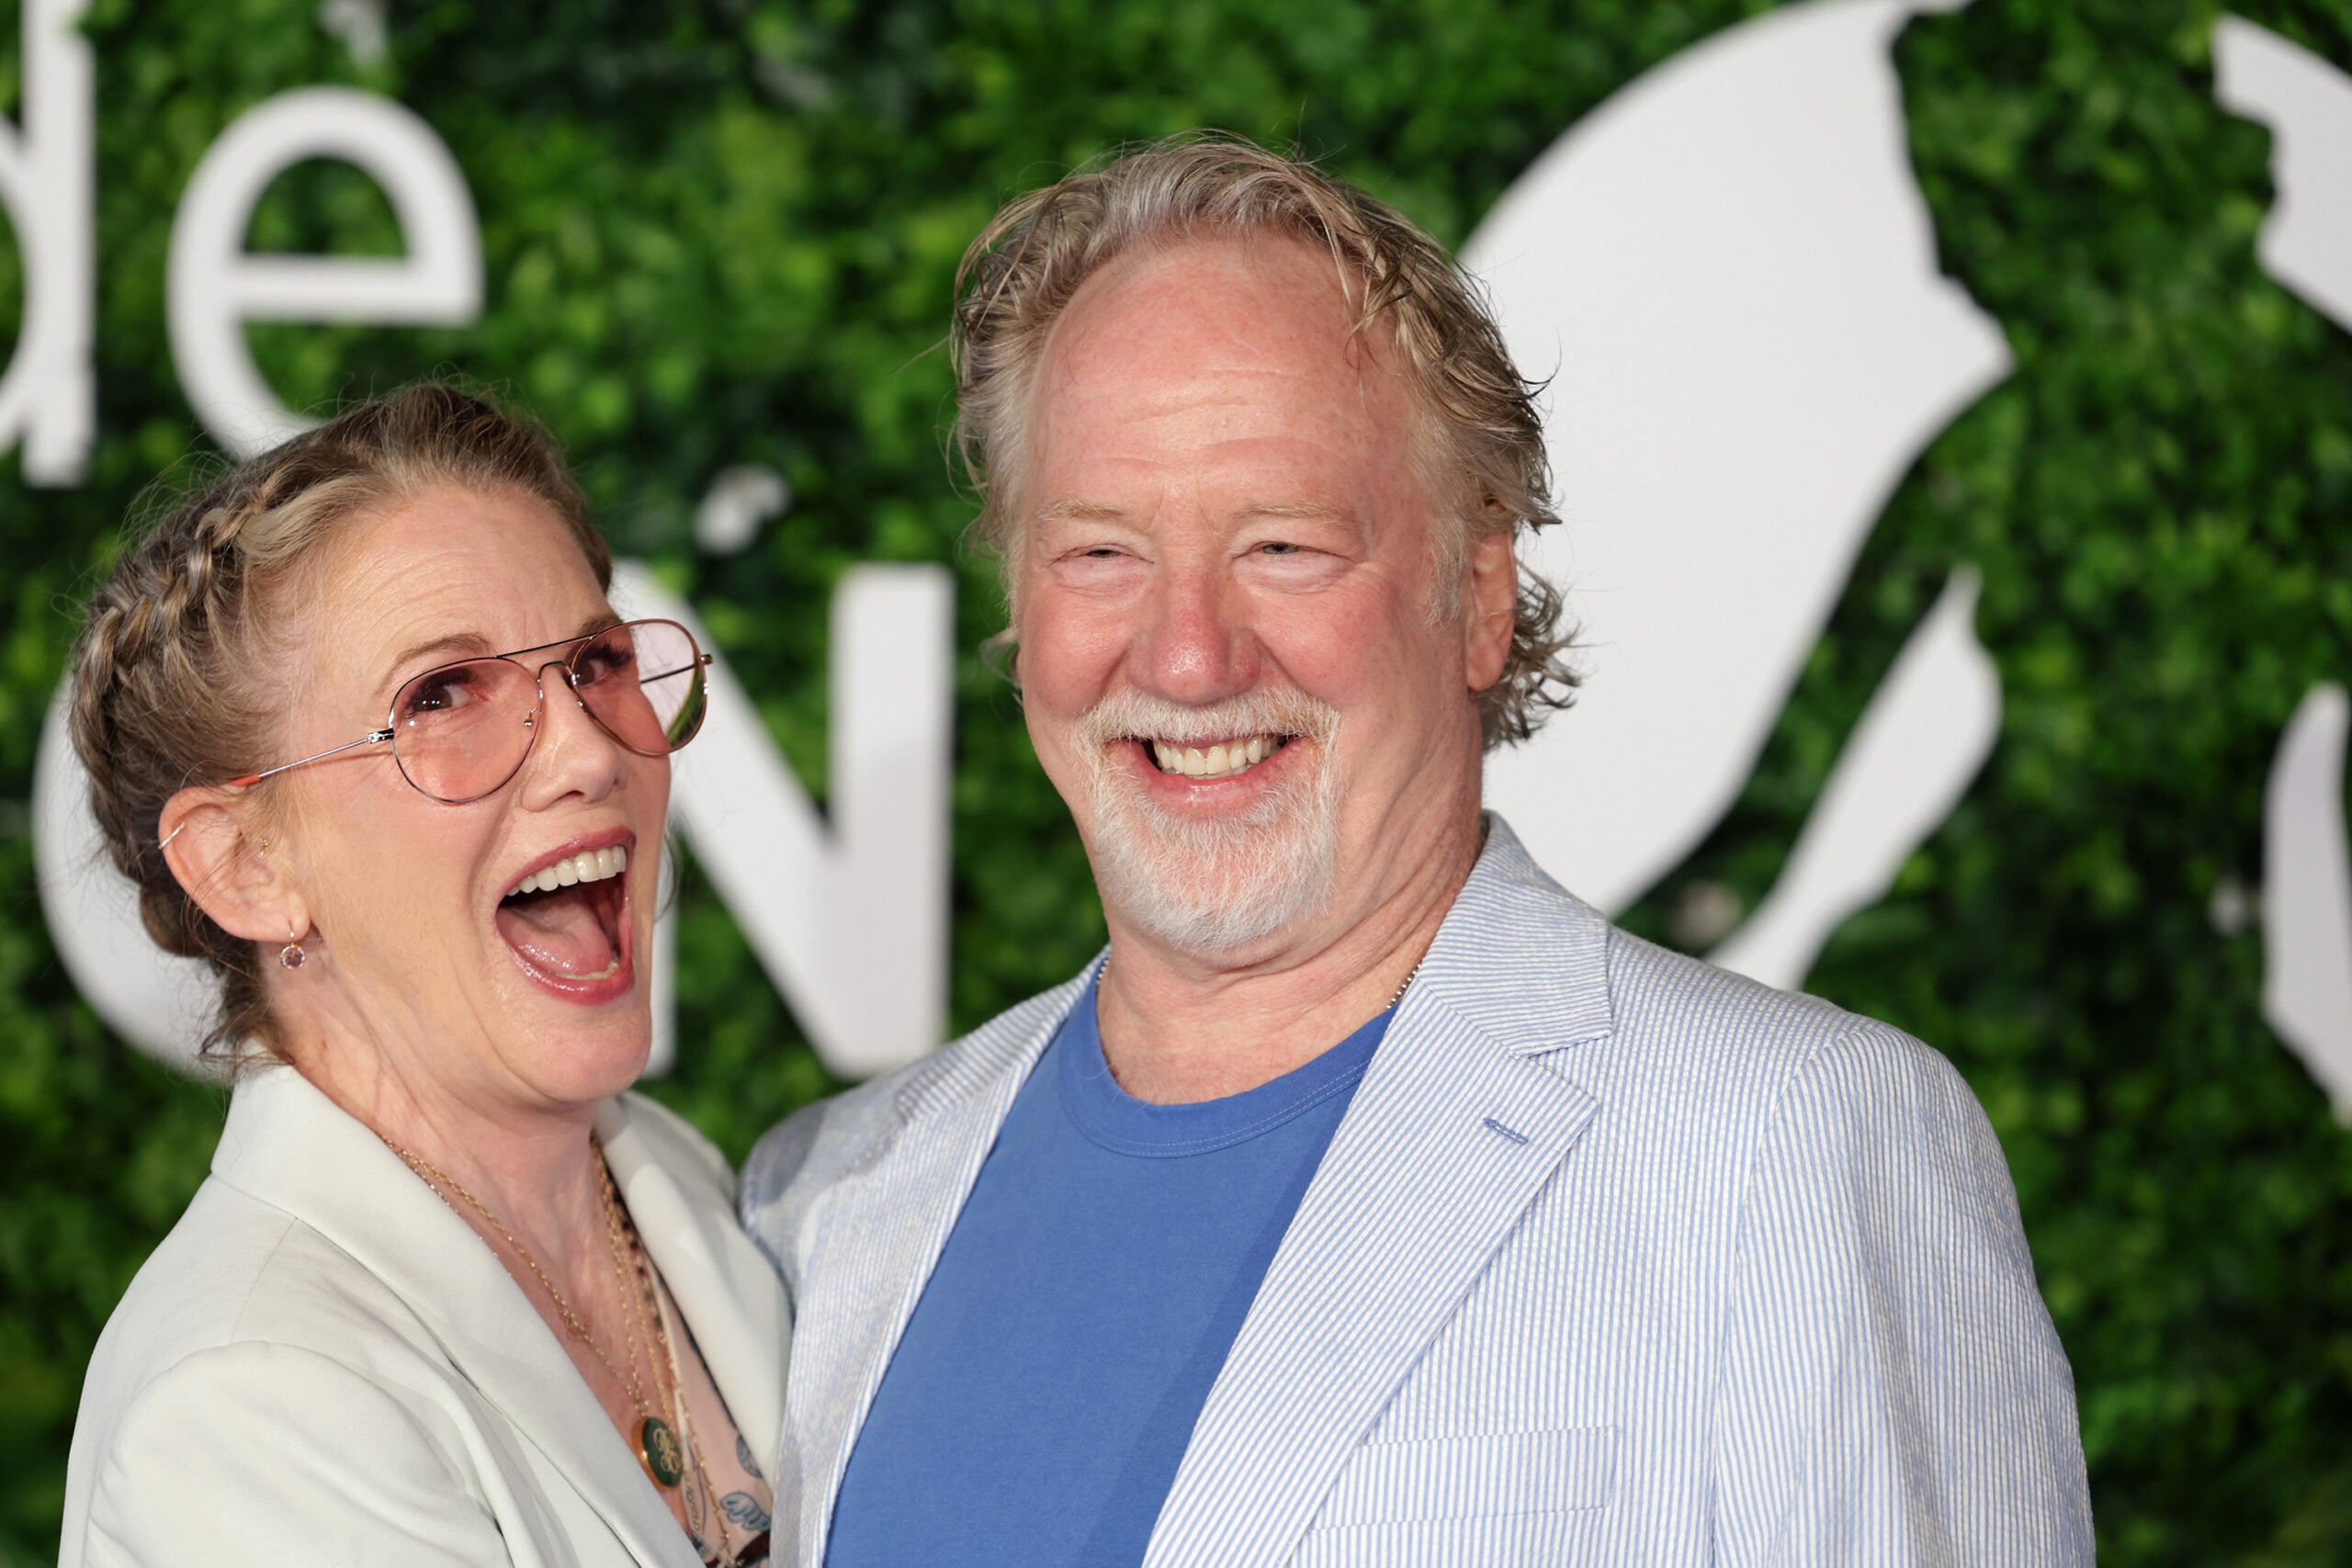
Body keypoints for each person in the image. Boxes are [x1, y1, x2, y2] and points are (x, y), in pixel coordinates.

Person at [741, 136, 2095, 1565]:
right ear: (1021, 610)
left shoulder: (1787, 1146)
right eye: (1101, 553)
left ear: (1481, 597)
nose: (1189, 654)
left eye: (1284, 546)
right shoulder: (826, 1200)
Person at [59, 386, 786, 1568]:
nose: (588, 750)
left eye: (594, 662)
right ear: (246, 867)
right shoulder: (244, 1404)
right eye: (440, 696)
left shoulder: (677, 1182)